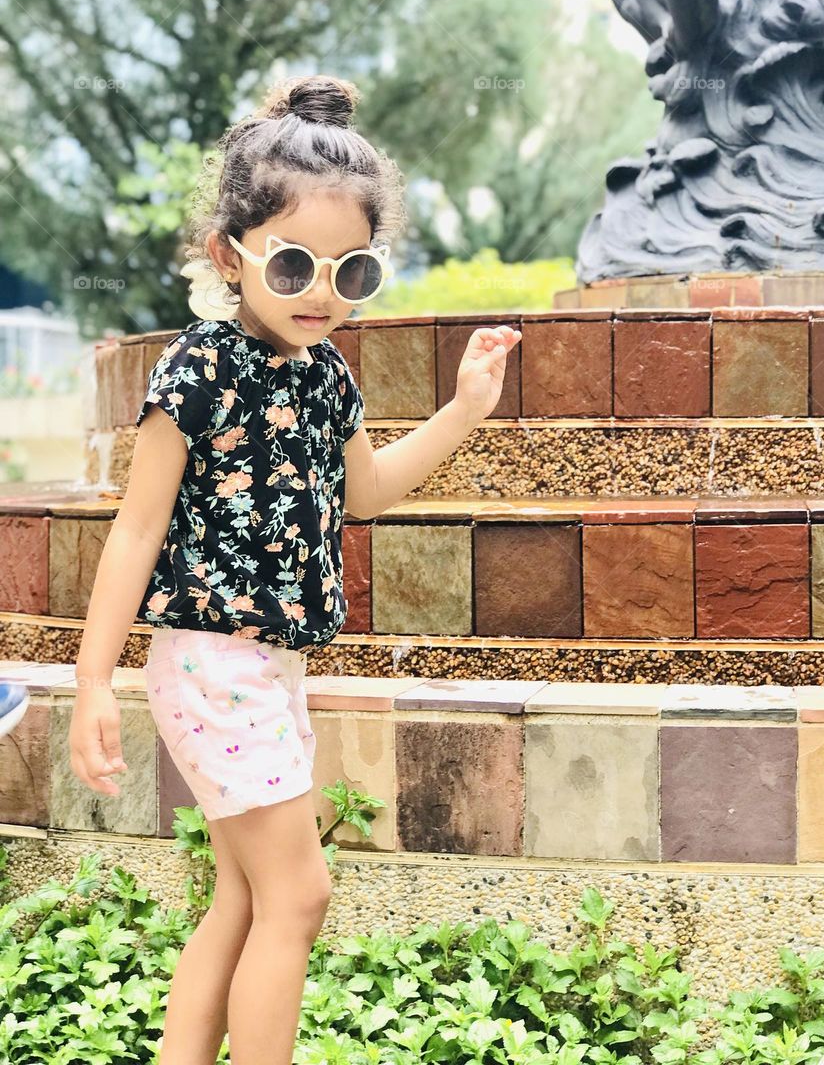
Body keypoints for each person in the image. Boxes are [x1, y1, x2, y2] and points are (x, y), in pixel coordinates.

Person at [68, 73, 521, 1065]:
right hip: (208, 661)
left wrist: (462, 411)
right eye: (293, 268)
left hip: (267, 669)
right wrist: (92, 680)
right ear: (232, 257)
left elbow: (365, 492)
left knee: (244, 893)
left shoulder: (327, 379)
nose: (321, 291)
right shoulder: (200, 368)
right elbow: (137, 529)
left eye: (350, 272)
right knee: (298, 892)